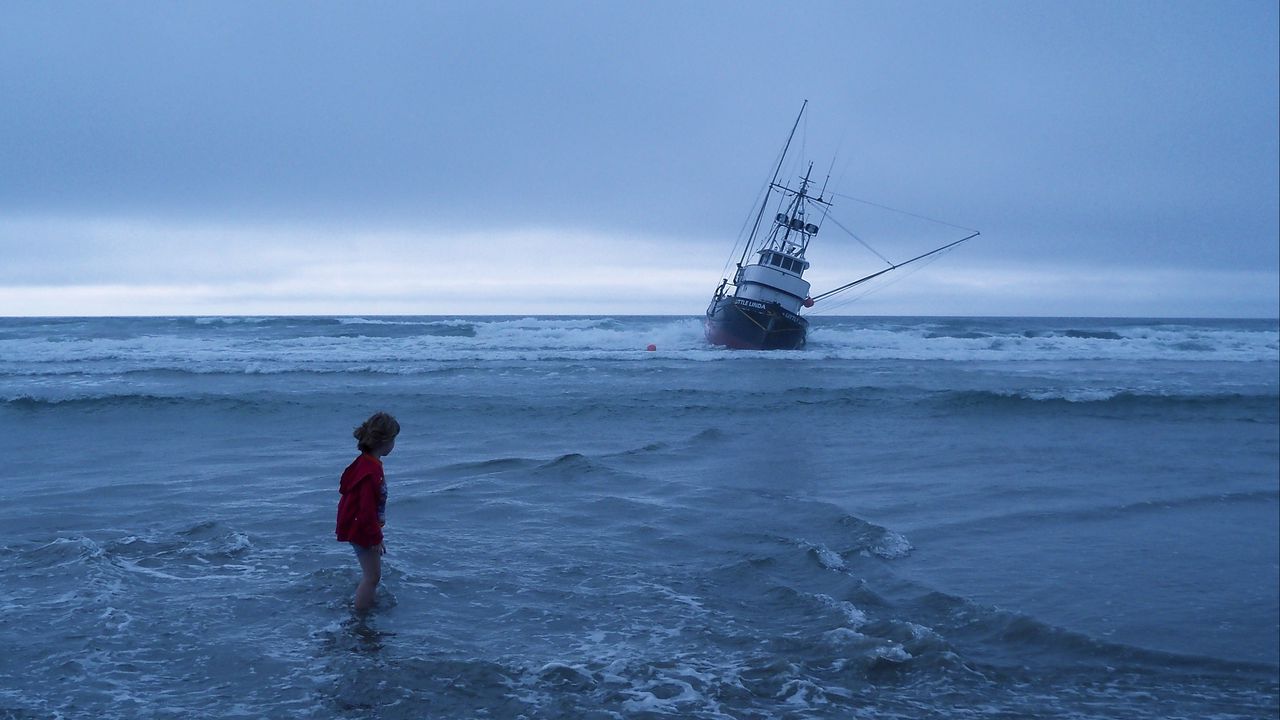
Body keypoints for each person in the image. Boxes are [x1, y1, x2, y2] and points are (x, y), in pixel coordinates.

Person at [336, 411, 400, 612]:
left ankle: (363, 606)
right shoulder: (371, 471)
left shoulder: (364, 462)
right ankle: (361, 617)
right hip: (362, 529)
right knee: (372, 577)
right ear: (386, 441)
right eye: (394, 439)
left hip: (359, 526)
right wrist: (375, 537)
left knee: (370, 574)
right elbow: (366, 510)